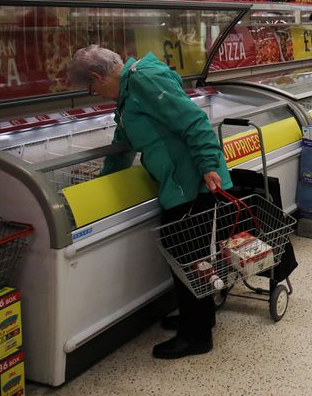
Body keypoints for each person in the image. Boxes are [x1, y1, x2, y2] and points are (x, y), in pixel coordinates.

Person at [68, 45, 233, 359]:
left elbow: (193, 121)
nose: (94, 94)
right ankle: (198, 317)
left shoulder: (145, 80)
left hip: (192, 181)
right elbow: (124, 141)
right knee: (187, 253)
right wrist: (104, 181)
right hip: (178, 183)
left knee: (186, 254)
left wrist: (209, 163)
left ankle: (196, 336)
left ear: (96, 77)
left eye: (89, 89)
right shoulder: (130, 91)